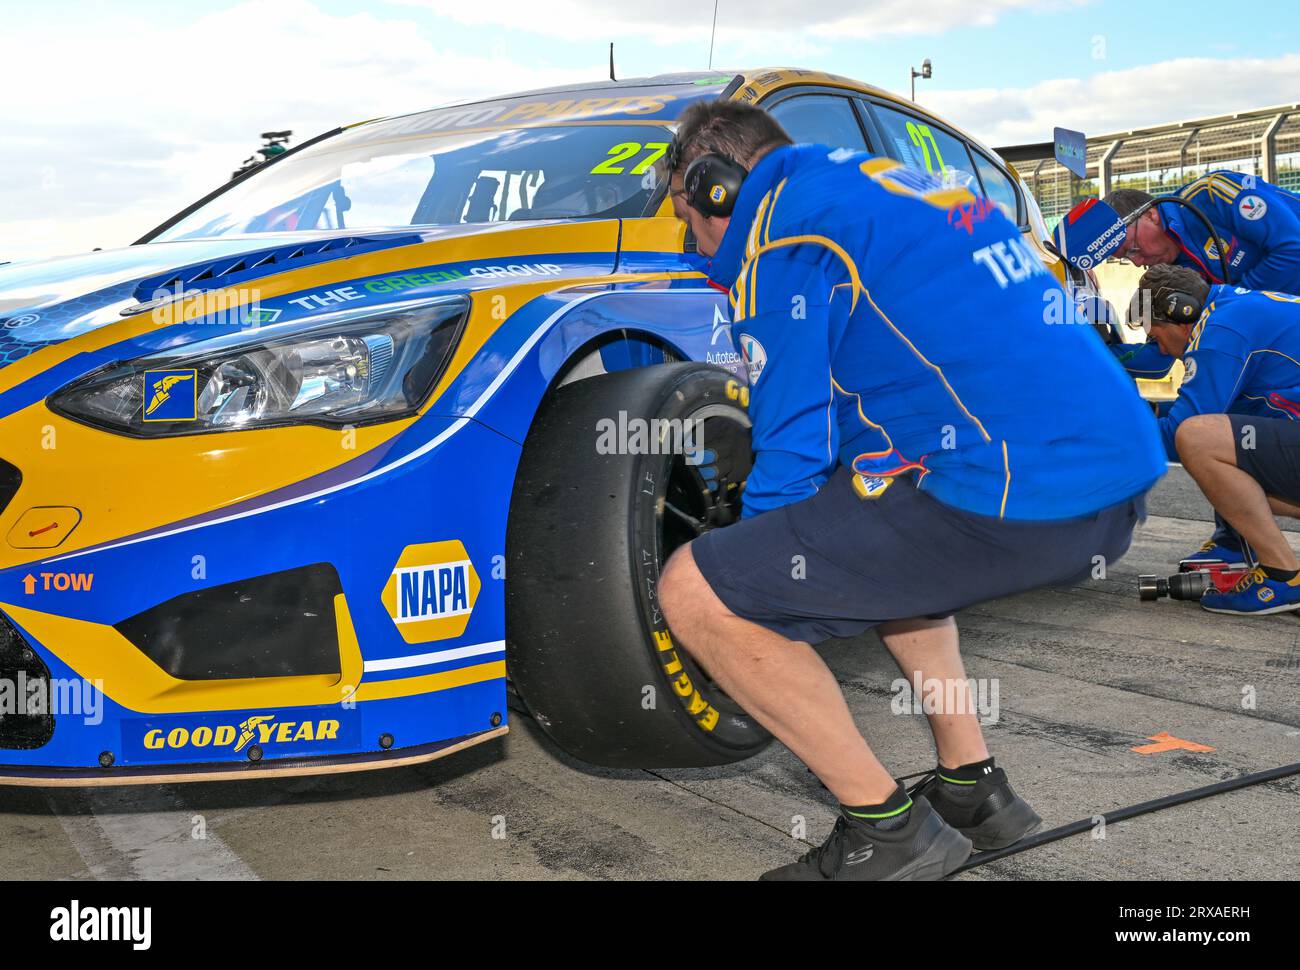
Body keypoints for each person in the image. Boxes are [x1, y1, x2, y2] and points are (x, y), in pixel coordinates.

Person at [657, 100, 1166, 881]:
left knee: (697, 593)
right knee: (881, 528)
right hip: (1113, 477)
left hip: (1022, 492)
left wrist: (756, 578)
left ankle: (887, 832)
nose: (694, 246)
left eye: (691, 223)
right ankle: (971, 786)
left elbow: (791, 447)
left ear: (718, 185)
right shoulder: (887, 191)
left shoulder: (786, 231)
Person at [1132, 263, 1300, 614]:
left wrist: (1108, 433)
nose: (1160, 350)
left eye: (1155, 335)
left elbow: (1183, 431)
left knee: (1197, 440)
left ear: (1182, 313)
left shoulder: (1220, 331)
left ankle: (1282, 574)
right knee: (1230, 444)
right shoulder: (1234, 308)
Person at [1106, 171, 1300, 292]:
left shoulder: (1212, 192)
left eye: (1132, 248)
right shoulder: (1165, 266)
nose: (1137, 262)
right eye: (1126, 259)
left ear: (1150, 215)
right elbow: (1165, 340)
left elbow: (1293, 249)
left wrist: (1233, 302)